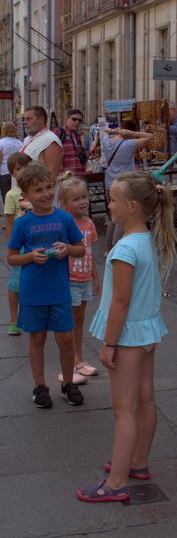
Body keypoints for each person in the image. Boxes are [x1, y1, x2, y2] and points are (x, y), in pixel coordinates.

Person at [76, 172, 177, 502]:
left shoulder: (124, 250)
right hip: (147, 331)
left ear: (132, 206)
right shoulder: (147, 240)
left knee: (124, 410)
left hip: (129, 337)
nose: (108, 205)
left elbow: (120, 302)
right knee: (145, 400)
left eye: (113, 199)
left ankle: (116, 482)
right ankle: (138, 463)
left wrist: (109, 344)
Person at [7, 161, 85, 409]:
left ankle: (68, 384)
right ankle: (40, 386)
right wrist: (30, 257)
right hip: (33, 292)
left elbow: (81, 249)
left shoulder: (64, 218)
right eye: (38, 190)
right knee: (37, 338)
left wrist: (67, 249)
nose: (46, 194)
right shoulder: (22, 223)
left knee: (65, 339)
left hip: (60, 289)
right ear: (26, 195)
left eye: (48, 187)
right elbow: (10, 257)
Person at [57, 172, 100, 385]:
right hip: (69, 279)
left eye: (84, 196)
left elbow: (90, 251)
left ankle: (78, 359)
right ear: (63, 203)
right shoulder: (64, 223)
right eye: (76, 198)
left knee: (79, 320)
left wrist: (95, 276)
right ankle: (70, 363)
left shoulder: (89, 223)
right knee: (69, 322)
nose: (82, 201)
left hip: (83, 279)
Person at [102, 121, 153, 253]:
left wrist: (113, 131)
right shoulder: (129, 144)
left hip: (109, 183)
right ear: (129, 132)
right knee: (121, 219)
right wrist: (133, 133)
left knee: (113, 218)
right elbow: (149, 137)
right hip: (124, 184)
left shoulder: (107, 142)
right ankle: (115, 249)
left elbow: (104, 131)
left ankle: (108, 248)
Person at [4, 152, 32, 335]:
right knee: (15, 284)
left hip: (36, 241)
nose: (23, 171)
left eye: (26, 167)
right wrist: (10, 246)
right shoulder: (12, 195)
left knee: (33, 280)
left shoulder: (35, 191)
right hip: (20, 244)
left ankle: (31, 316)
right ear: (12, 173)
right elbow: (8, 222)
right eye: (18, 168)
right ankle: (14, 319)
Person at [20, 106, 63, 181]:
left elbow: (52, 175)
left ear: (41, 119)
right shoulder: (29, 138)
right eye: (24, 119)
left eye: (29, 119)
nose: (24, 122)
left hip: (38, 190)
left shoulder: (50, 140)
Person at [53, 109, 88, 179]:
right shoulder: (58, 132)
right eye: (74, 119)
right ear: (67, 119)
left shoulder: (76, 135)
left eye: (79, 120)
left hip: (78, 177)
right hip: (65, 178)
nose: (77, 122)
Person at [0, 121, 22, 201]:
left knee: (6, 197)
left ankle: (8, 212)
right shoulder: (19, 143)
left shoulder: (1, 143)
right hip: (17, 172)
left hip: (4, 172)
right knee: (17, 196)